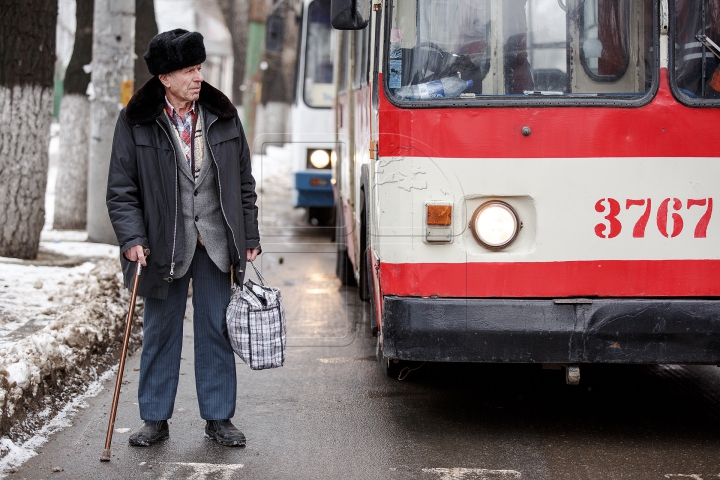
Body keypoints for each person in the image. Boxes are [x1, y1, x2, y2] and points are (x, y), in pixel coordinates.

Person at [106, 29, 261, 447]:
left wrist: (249, 233)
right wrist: (131, 238)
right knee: (161, 332)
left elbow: (243, 181)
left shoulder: (221, 115)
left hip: (214, 241)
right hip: (162, 246)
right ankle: (155, 418)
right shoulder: (136, 121)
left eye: (198, 68)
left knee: (216, 330)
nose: (198, 77)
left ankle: (218, 418)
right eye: (188, 70)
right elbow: (122, 189)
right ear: (164, 77)